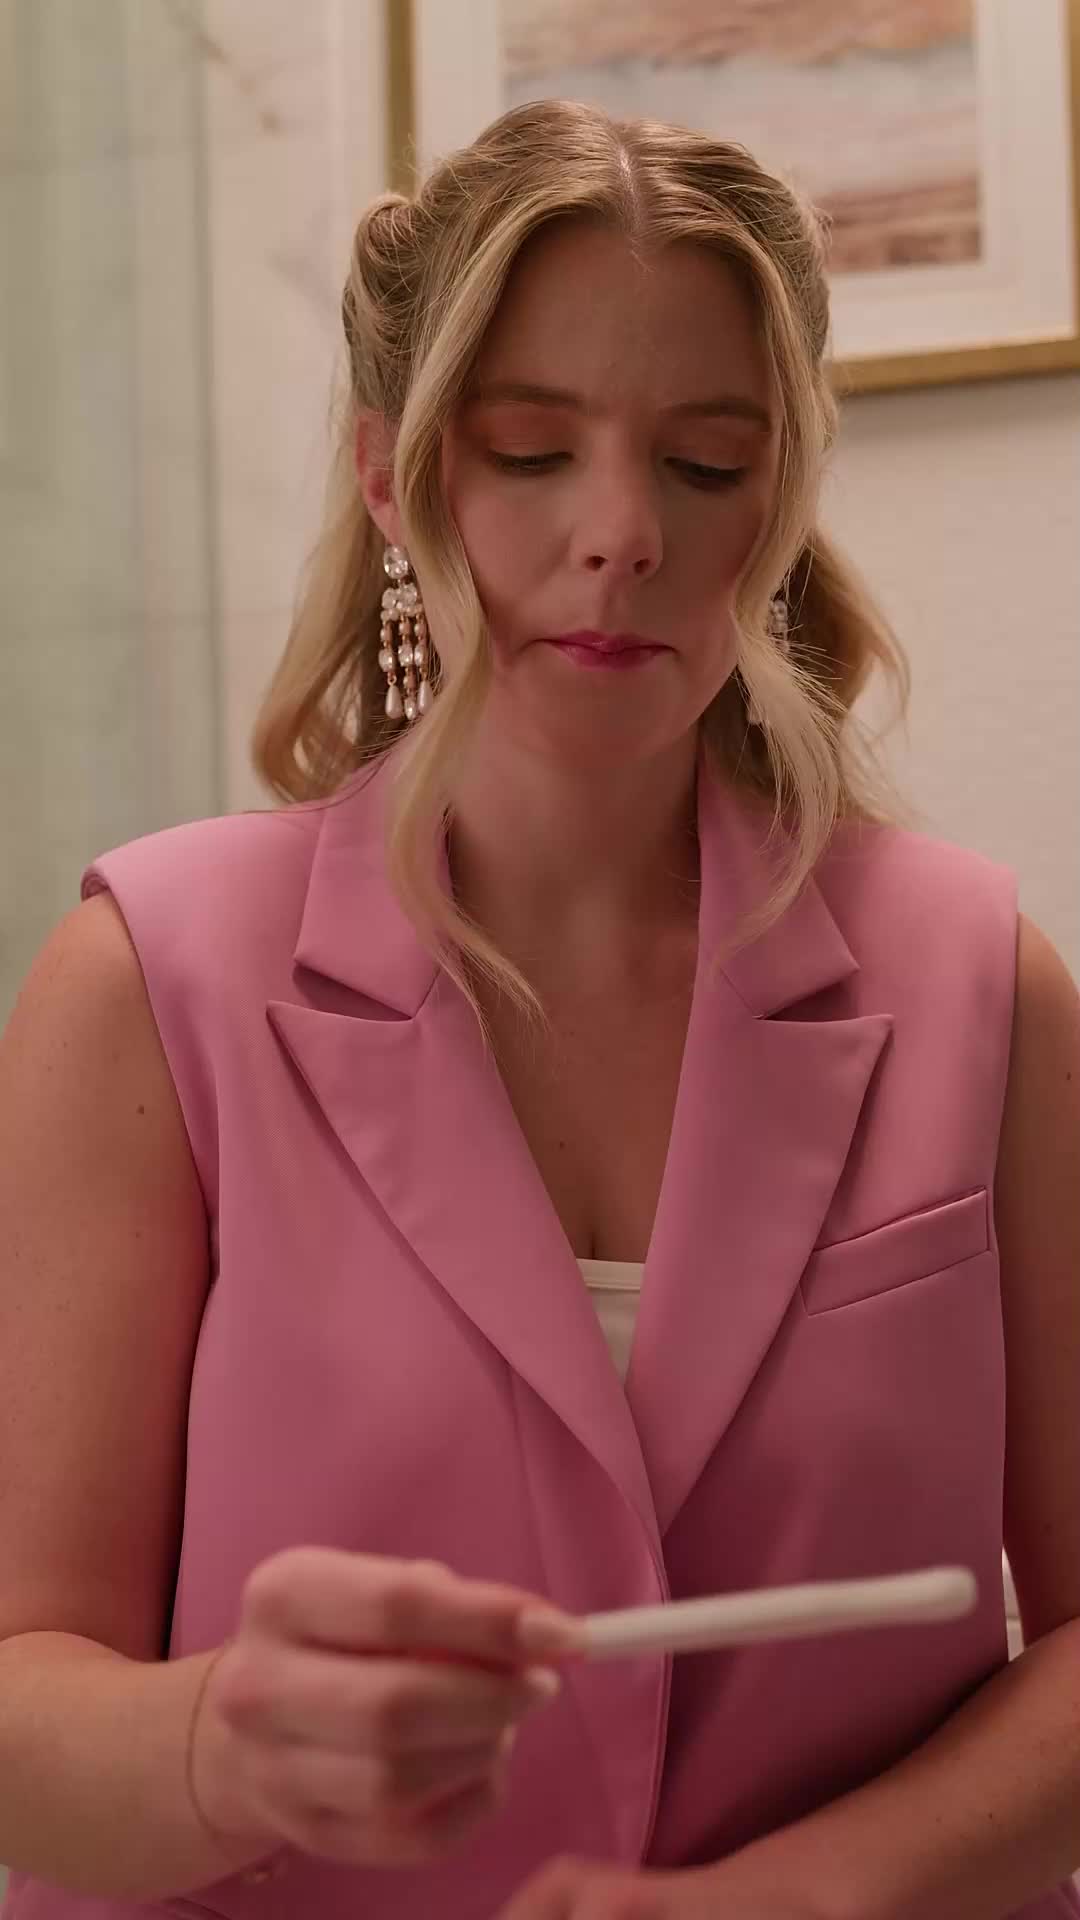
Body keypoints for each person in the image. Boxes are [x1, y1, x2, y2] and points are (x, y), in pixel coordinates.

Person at [0, 97, 1078, 1920]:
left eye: (708, 464)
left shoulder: (986, 987)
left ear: (784, 498)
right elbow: (23, 1699)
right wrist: (220, 1752)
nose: (621, 534)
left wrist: (806, 1899)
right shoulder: (148, 988)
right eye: (528, 450)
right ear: (392, 476)